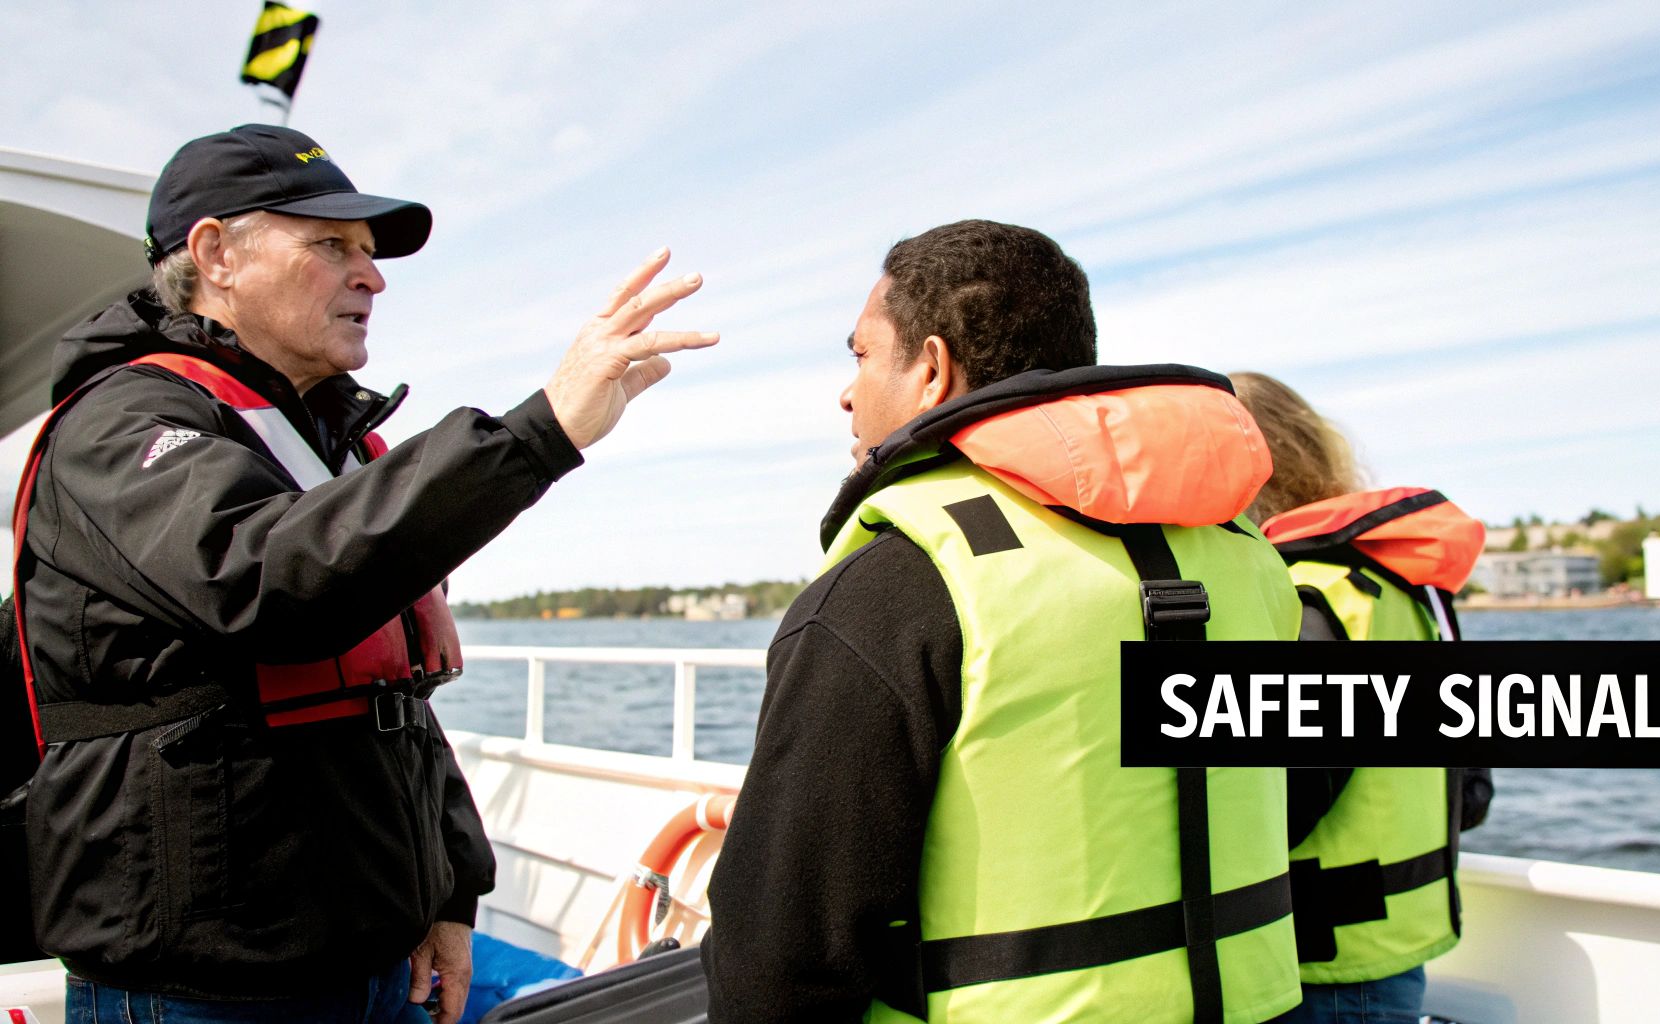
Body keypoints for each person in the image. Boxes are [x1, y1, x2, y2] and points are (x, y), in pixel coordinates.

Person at [8, 124, 717, 1024]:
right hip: (206, 990)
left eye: (370, 254)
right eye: (331, 246)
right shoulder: (118, 427)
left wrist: (451, 891)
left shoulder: (331, 446)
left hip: (375, 963)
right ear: (215, 254)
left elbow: (397, 702)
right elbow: (268, 582)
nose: (372, 276)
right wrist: (537, 434)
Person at [704, 220, 1305, 1023]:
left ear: (932, 369)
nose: (847, 391)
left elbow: (781, 957)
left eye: (860, 355)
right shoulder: (1247, 561)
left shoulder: (902, 579)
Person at [1227, 372, 1489, 1024]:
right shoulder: (1405, 589)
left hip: (1321, 966)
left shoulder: (1308, 597)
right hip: (1390, 947)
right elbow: (1473, 794)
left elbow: (1281, 799)